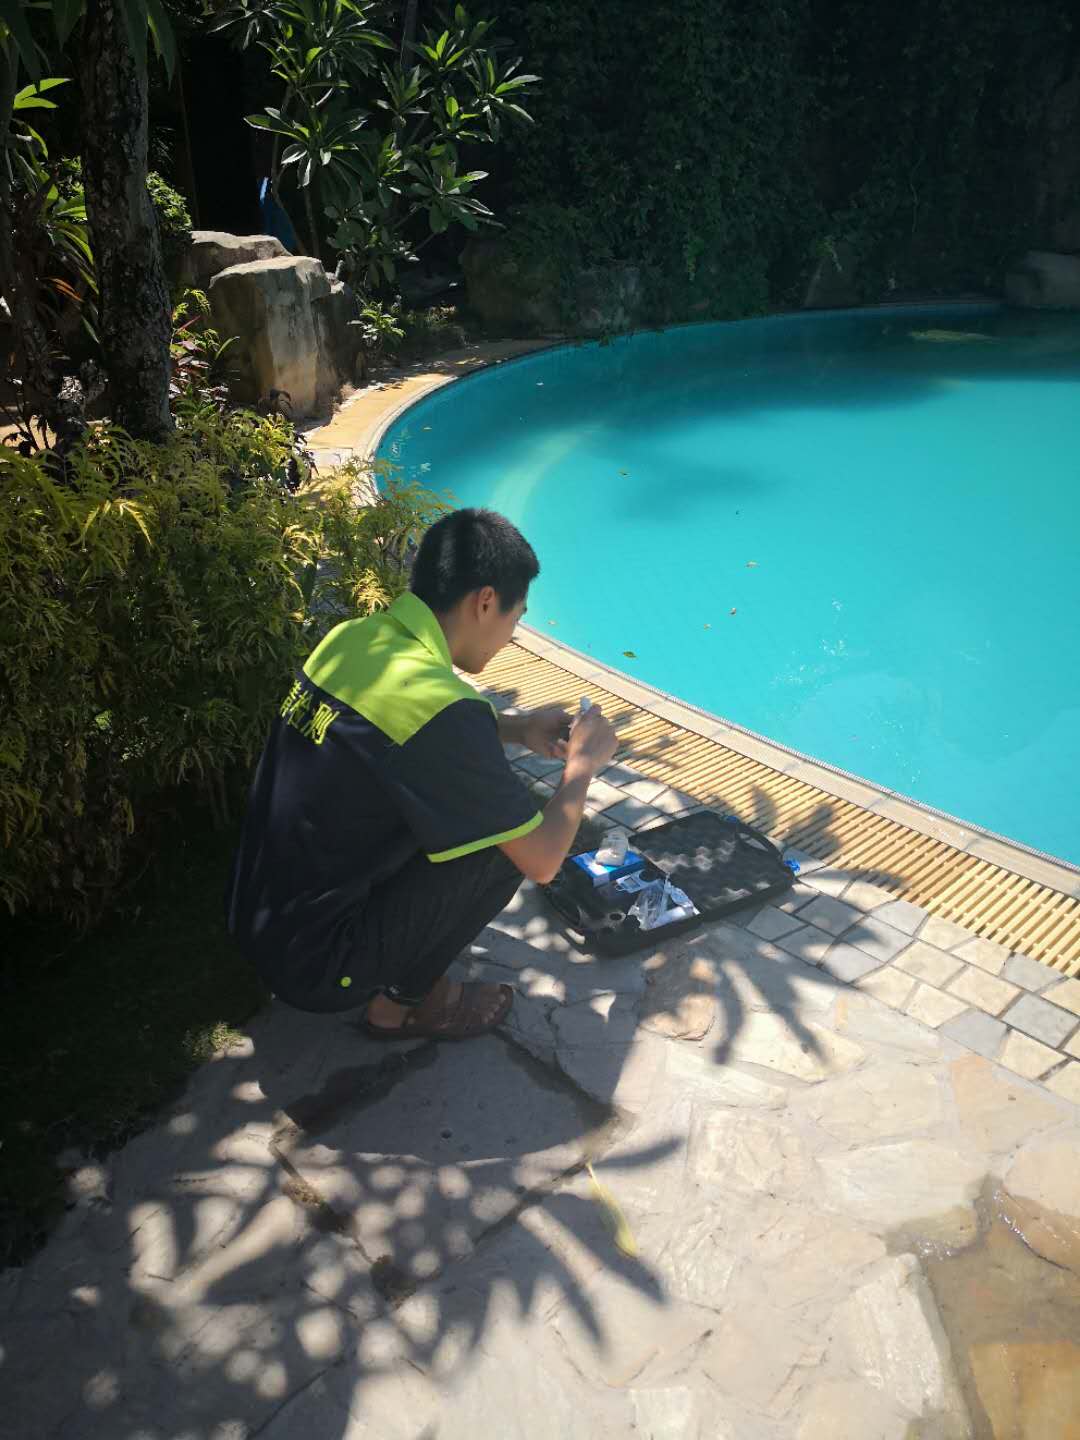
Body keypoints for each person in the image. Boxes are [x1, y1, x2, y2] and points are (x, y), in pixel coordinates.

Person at [227, 507, 618, 1040]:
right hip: (321, 966)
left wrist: (518, 728)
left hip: (258, 919)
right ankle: (400, 1007)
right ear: (485, 602)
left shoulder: (352, 638)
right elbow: (544, 860)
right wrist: (583, 767)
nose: (512, 635)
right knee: (505, 844)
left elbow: (405, 734)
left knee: (477, 812)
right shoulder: (444, 711)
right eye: (516, 617)